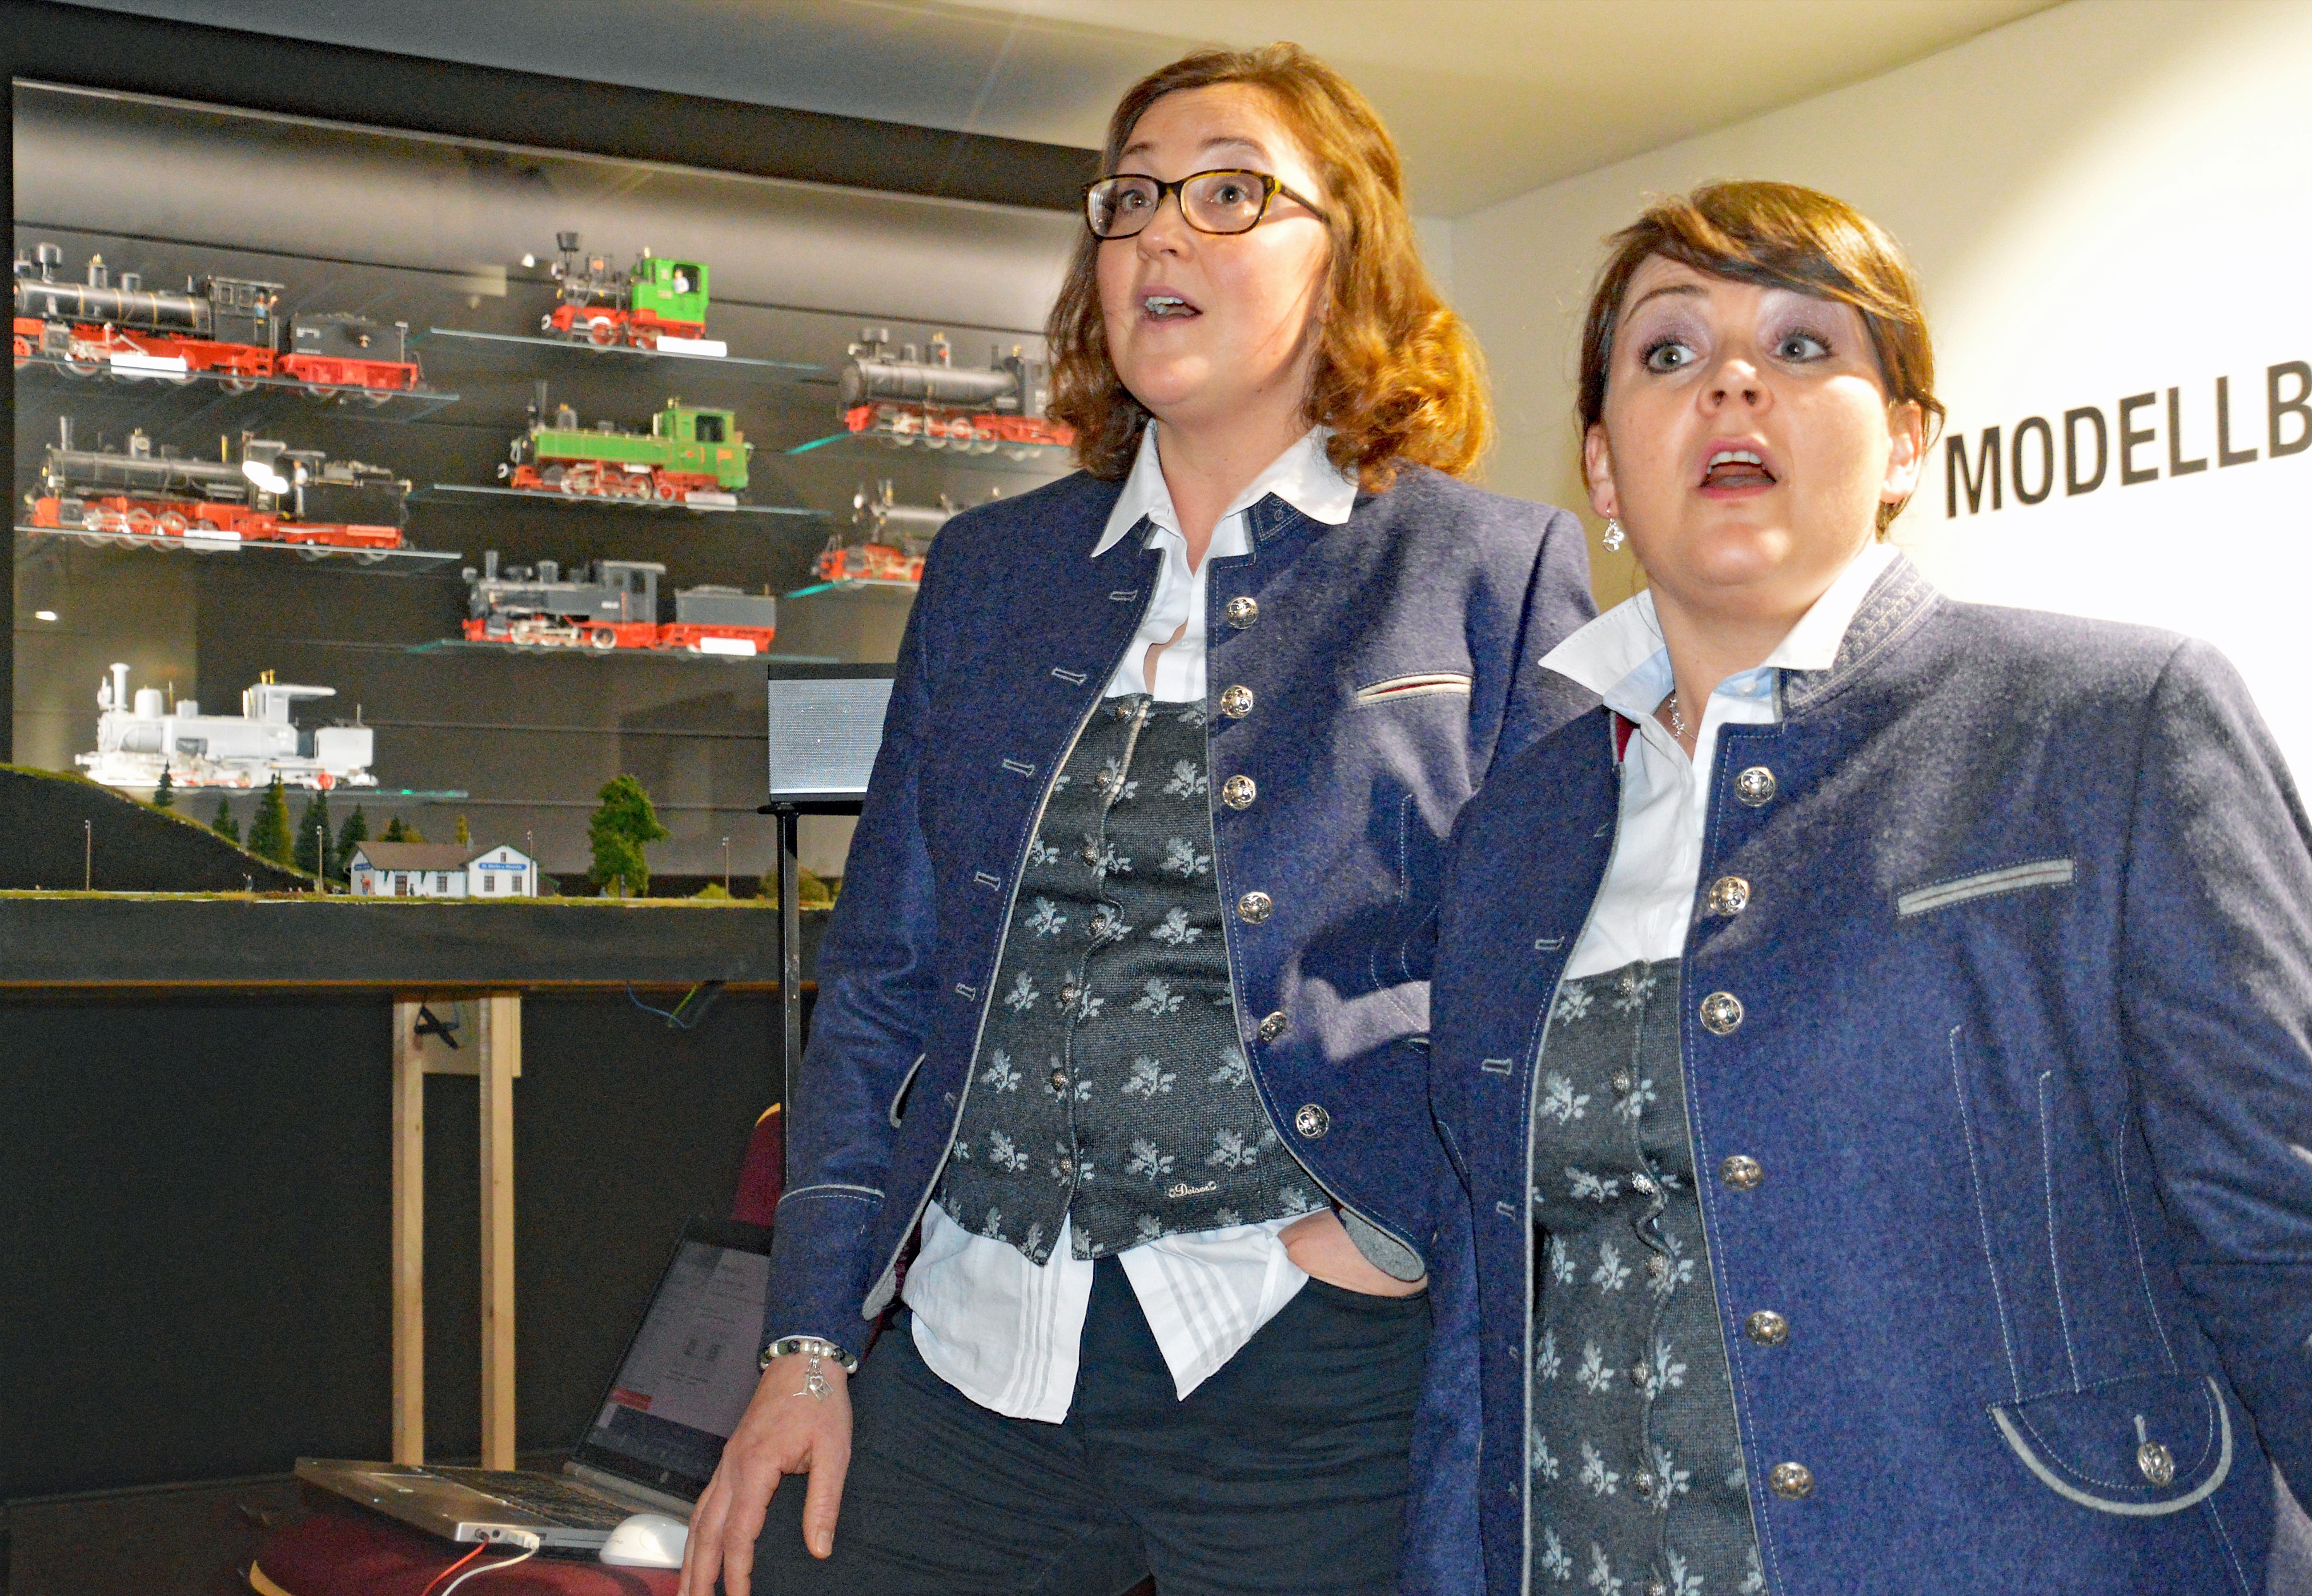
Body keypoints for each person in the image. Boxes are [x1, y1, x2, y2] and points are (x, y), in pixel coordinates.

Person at [681, 43, 1595, 1596]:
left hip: (1305, 1361)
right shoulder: (991, 574)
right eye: (1132, 199)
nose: (1161, 232)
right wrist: (808, 1339)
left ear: (1347, 257)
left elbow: (1556, 975)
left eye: (1228, 194)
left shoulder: (1488, 571)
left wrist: (1382, 1238)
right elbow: (885, 982)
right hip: (976, 1346)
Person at [1426, 180, 2312, 1596]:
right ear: (1599, 468)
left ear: (1903, 439)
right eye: (1667, 352)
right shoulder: (1517, 828)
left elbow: (2280, 1225)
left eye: (1800, 347)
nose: (1730, 382)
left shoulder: (2110, 721)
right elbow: (1488, 1313)